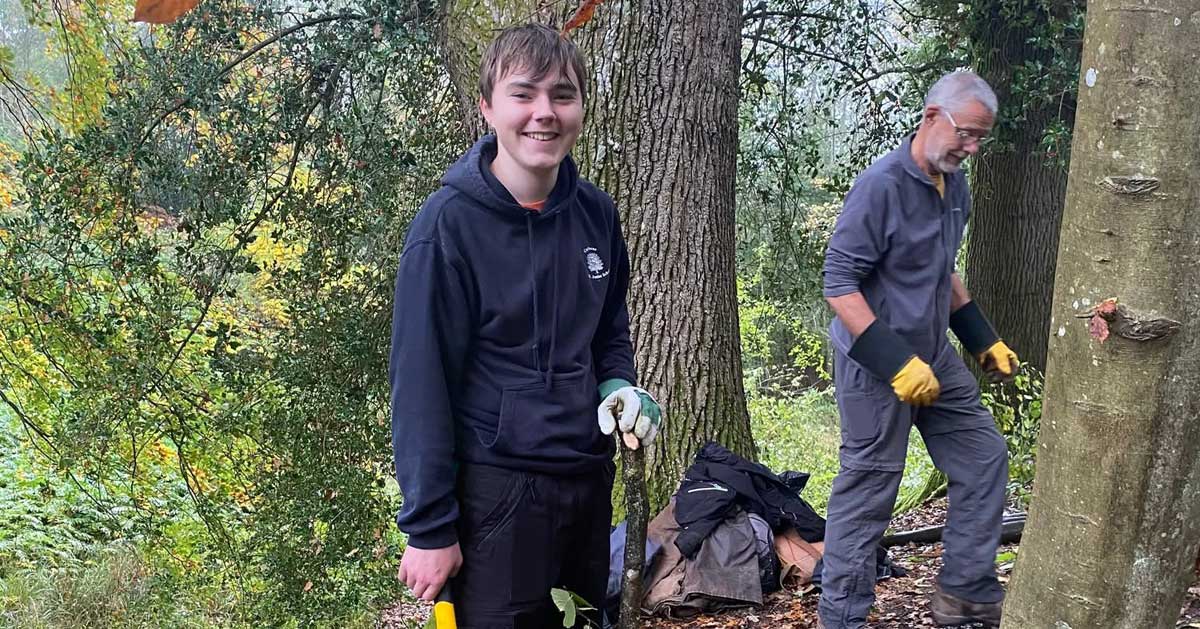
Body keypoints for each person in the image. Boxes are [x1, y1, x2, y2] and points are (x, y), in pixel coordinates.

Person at [389, 23, 663, 628]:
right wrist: (430, 527)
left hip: (589, 484)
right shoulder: (447, 228)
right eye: (524, 94)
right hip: (494, 499)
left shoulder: (596, 213)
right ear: (487, 106)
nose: (545, 113)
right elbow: (420, 384)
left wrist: (617, 386)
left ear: (582, 108)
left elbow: (608, 328)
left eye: (562, 95)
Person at [817, 70, 1018, 629]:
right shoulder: (881, 185)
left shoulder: (955, 186)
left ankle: (965, 594)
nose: (972, 148)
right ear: (933, 117)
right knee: (870, 491)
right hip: (874, 364)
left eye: (982, 138)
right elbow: (838, 284)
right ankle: (842, 619)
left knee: (984, 457)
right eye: (967, 134)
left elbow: (943, 271)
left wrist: (981, 337)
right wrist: (894, 362)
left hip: (934, 354)